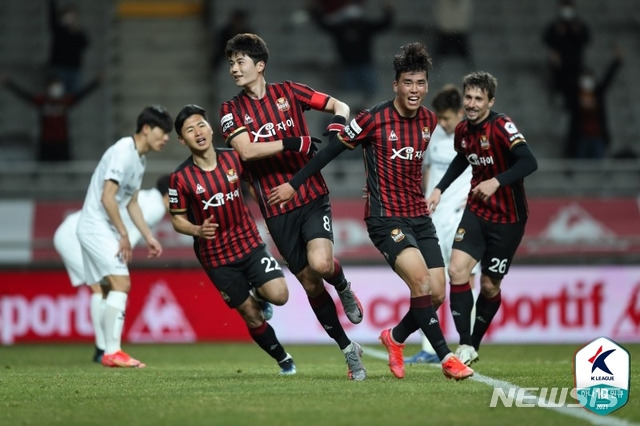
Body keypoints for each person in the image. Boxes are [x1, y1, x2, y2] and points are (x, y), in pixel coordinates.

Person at [267, 42, 474, 381]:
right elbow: (330, 152)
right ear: (395, 85)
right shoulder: (372, 119)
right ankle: (447, 359)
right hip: (385, 218)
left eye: (421, 83)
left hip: (420, 217)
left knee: (436, 292)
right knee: (420, 281)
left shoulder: (428, 120)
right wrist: (294, 182)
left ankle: (394, 338)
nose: (415, 89)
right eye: (408, 82)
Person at [219, 33, 366, 381]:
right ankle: (349, 351)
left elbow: (340, 106)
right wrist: (292, 141)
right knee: (311, 285)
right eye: (230, 63)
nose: (234, 69)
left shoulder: (290, 92)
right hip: (276, 209)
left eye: (240, 62)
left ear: (260, 65)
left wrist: (337, 124)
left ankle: (343, 286)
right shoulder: (230, 110)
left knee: (321, 263)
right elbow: (246, 151)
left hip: (311, 195)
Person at [170, 104, 296, 375]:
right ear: (182, 140)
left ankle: (262, 296)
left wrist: (273, 219)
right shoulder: (180, 179)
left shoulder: (234, 159)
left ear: (210, 127)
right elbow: (177, 219)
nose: (198, 132)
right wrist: (196, 230)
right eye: (189, 130)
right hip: (217, 258)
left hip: (249, 244)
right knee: (251, 315)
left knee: (280, 295)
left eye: (201, 125)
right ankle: (283, 359)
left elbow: (254, 187)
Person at [426, 71, 538, 365]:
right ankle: (463, 344)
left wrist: (497, 181)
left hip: (508, 218)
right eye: (469, 97)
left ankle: (473, 343)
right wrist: (439, 188)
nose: (473, 103)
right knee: (457, 271)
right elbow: (462, 158)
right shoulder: (463, 130)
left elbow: (529, 161)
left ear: (490, 101)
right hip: (476, 212)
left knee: (489, 286)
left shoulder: (502, 126)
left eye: (479, 98)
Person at [76, 105, 173, 368]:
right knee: (122, 284)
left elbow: (131, 203)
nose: (166, 138)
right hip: (95, 227)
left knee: (108, 289)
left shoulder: (139, 159)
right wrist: (123, 235)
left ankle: (108, 351)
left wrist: (148, 236)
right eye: (163, 132)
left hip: (100, 227)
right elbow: (107, 197)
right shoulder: (122, 152)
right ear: (146, 129)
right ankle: (112, 351)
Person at [54, 175, 171, 363]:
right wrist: (119, 264)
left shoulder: (149, 198)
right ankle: (103, 349)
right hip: (75, 236)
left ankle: (103, 350)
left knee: (102, 287)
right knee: (102, 288)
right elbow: (130, 238)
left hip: (72, 231)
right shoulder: (156, 207)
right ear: (168, 194)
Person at [405, 85, 479, 364]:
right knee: (428, 282)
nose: (443, 123)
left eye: (447, 118)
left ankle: (466, 345)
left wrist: (476, 196)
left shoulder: (473, 137)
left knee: (464, 279)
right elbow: (425, 170)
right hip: (433, 219)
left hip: (463, 217)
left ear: (460, 113)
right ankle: (428, 348)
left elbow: (489, 167)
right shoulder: (433, 135)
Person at [308, 0, 394, 106]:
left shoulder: (364, 26)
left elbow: (384, 24)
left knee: (371, 92)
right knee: (349, 95)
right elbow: (323, 25)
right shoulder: (340, 28)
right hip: (348, 66)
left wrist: (389, 11)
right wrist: (314, 10)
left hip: (364, 65)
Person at [0, 74, 101, 161]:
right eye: (54, 86)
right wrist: (9, 84)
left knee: (65, 167)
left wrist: (96, 83)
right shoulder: (43, 101)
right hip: (46, 142)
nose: (56, 89)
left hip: (62, 141)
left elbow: (81, 95)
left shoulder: (65, 102)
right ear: (48, 88)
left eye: (58, 86)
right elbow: (25, 96)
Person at [565, 46, 623, 159]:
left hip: (597, 137)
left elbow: (608, 78)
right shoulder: (575, 96)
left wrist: (617, 61)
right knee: (581, 168)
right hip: (581, 138)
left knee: (598, 168)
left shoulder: (598, 94)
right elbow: (564, 81)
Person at [542, 0, 591, 109]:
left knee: (575, 91)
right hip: (559, 67)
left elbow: (586, 38)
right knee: (560, 89)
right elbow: (546, 39)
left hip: (575, 65)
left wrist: (577, 32)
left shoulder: (578, 25)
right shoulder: (556, 26)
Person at [48, 0, 89, 94]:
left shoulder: (78, 32)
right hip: (59, 68)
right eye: (67, 16)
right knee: (56, 96)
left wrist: (76, 30)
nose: (70, 19)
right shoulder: (59, 30)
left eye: (72, 16)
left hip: (74, 69)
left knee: (71, 98)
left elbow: (85, 44)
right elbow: (52, 17)